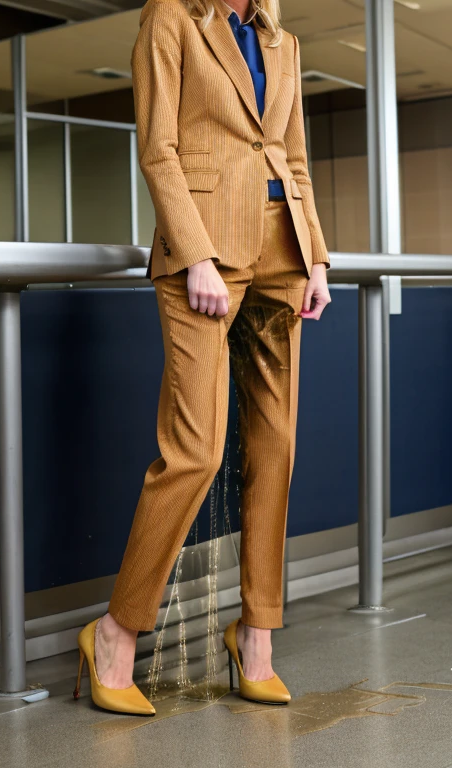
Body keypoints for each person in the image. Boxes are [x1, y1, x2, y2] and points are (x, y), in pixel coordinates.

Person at [73, 0, 331, 715]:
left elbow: (294, 159)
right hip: (207, 259)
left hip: (284, 254)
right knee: (197, 451)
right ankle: (115, 632)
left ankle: (257, 637)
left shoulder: (282, 39)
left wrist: (317, 257)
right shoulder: (172, 18)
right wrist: (195, 254)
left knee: (275, 447)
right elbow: (158, 146)